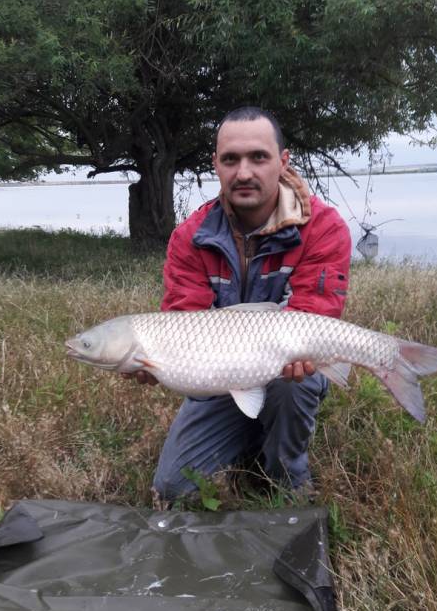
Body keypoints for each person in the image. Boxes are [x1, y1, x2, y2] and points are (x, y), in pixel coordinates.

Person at [127, 107, 351, 507]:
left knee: (290, 385)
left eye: (258, 158)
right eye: (230, 159)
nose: (243, 172)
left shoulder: (323, 228)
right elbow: (182, 325)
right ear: (216, 164)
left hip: (288, 375)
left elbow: (316, 319)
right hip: (219, 381)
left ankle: (286, 475)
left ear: (283, 162)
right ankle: (247, 431)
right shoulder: (190, 237)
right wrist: (156, 364)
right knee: (175, 492)